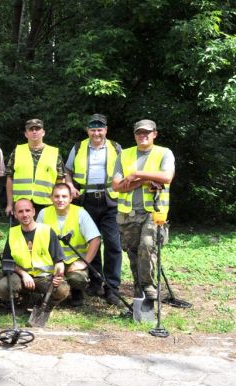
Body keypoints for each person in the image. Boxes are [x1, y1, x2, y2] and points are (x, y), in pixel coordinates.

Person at [112, 119, 175, 300]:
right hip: (128, 213)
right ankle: (140, 292)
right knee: (133, 253)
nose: (143, 136)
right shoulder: (125, 155)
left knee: (147, 246)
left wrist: (136, 175)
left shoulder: (164, 153)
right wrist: (146, 179)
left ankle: (148, 286)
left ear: (154, 134)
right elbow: (116, 186)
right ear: (135, 135)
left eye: (147, 132)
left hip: (153, 212)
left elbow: (166, 177)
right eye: (139, 132)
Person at [64, 114, 123, 305]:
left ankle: (112, 287)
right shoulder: (79, 147)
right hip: (86, 200)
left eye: (100, 129)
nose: (96, 133)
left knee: (113, 244)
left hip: (110, 200)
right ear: (87, 130)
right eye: (92, 129)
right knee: (92, 242)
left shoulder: (116, 148)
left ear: (106, 130)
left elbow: (125, 172)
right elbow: (68, 171)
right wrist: (70, 186)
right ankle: (96, 282)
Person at [37, 183, 101, 307]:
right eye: (56, 196)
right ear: (51, 198)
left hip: (73, 261)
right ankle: (51, 293)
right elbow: (37, 239)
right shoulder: (43, 213)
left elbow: (96, 239)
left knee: (78, 279)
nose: (60, 200)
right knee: (46, 279)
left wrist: (84, 263)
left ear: (70, 198)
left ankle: (76, 292)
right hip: (51, 260)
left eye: (64, 196)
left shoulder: (80, 213)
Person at [0, 199, 66, 310]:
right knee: (2, 286)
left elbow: (59, 261)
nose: (25, 214)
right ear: (15, 214)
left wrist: (59, 275)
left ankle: (44, 304)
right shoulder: (13, 233)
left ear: (33, 212)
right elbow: (7, 263)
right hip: (20, 278)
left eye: (27, 210)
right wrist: (24, 274)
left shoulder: (47, 231)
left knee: (63, 289)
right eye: (20, 211)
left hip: (44, 277)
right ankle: (20, 301)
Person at [5, 118, 65, 220]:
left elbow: (60, 180)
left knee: (45, 235)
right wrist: (10, 204)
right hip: (21, 203)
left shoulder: (54, 153)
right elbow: (10, 178)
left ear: (43, 132)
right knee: (20, 234)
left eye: (37, 129)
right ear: (26, 134)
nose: (34, 131)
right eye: (31, 129)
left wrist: (59, 202)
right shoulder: (17, 151)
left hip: (47, 204)